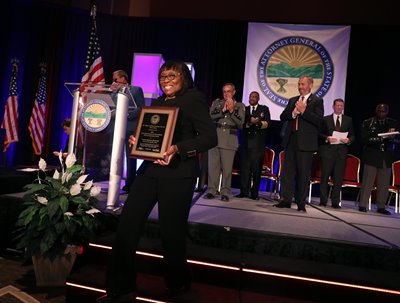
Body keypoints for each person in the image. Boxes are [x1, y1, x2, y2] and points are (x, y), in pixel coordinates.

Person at [98, 61, 217, 303]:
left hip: (179, 173)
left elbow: (209, 137)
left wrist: (178, 149)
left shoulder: (193, 99)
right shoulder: (160, 102)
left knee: (171, 233)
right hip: (150, 171)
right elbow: (151, 134)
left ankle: (178, 282)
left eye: (172, 75)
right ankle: (120, 288)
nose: (166, 80)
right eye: (162, 76)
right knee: (127, 226)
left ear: (184, 77)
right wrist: (136, 140)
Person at [274, 75, 324, 212]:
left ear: (310, 85)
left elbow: (319, 121)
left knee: (303, 174)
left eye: (303, 84)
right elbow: (283, 117)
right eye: (299, 84)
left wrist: (304, 111)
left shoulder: (317, 101)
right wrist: (293, 113)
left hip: (306, 143)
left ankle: (301, 202)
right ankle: (285, 199)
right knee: (287, 173)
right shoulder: (293, 100)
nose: (300, 86)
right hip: (291, 140)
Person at [203, 83, 245, 202]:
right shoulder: (217, 103)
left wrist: (232, 111)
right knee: (213, 167)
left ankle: (226, 192)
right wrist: (223, 110)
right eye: (224, 92)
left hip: (229, 140)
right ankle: (211, 190)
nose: (226, 94)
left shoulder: (240, 106)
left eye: (229, 91)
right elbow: (210, 116)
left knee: (227, 169)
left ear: (234, 92)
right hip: (215, 138)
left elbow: (241, 124)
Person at [358, 103, 399, 215]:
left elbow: (397, 139)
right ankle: (363, 204)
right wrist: (381, 138)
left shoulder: (392, 123)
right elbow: (365, 139)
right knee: (368, 182)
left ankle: (381, 206)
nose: (382, 113)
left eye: (384, 111)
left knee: (384, 183)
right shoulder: (368, 122)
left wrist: (391, 139)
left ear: (387, 112)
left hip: (386, 156)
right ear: (376, 111)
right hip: (372, 155)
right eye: (380, 111)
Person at [109, 70, 145, 193]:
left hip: (130, 127)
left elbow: (141, 108)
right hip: (115, 128)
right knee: (114, 156)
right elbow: (110, 106)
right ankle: (112, 181)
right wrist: (111, 91)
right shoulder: (113, 92)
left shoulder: (136, 90)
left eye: (115, 79)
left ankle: (130, 184)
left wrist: (127, 114)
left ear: (123, 78)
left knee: (130, 157)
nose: (114, 82)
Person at [318, 98, 355, 208]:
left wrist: (349, 140)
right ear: (333, 106)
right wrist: (327, 138)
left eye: (341, 105)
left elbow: (353, 135)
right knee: (325, 177)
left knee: (338, 179)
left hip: (341, 153)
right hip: (327, 152)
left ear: (343, 107)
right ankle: (323, 201)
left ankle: (335, 202)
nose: (339, 107)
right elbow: (319, 133)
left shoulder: (348, 120)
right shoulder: (325, 119)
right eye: (337, 105)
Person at [236, 91, 271, 200]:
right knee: (244, 168)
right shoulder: (244, 109)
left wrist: (258, 123)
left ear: (258, 98)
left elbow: (267, 123)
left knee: (256, 170)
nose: (252, 98)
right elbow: (239, 123)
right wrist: (249, 122)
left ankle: (254, 193)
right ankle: (243, 191)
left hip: (258, 144)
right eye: (251, 96)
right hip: (245, 143)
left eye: (255, 96)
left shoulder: (264, 109)